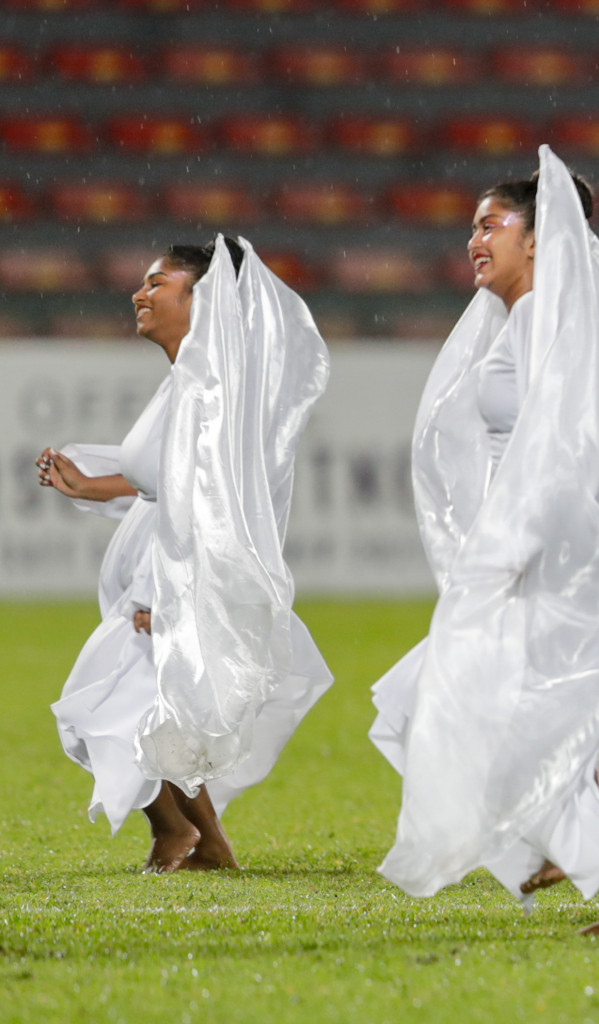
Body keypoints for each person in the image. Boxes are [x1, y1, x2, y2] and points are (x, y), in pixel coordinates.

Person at [370, 146, 599, 934]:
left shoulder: (555, 326)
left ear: (538, 236)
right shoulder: (525, 322)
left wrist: (515, 549)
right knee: (513, 714)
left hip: (545, 554)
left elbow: (570, 449)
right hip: (522, 550)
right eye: (471, 228)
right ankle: (572, 850)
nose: (475, 240)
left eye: (492, 224)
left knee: (476, 709)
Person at [40, 237, 332, 874]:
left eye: (157, 283)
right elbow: (161, 480)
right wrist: (90, 484)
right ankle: (203, 843)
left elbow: (208, 499)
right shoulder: (188, 381)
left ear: (203, 301)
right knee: (157, 708)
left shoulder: (212, 391)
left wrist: (157, 590)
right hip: (165, 572)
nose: (139, 293)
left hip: (183, 574)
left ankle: (178, 834)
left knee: (104, 705)